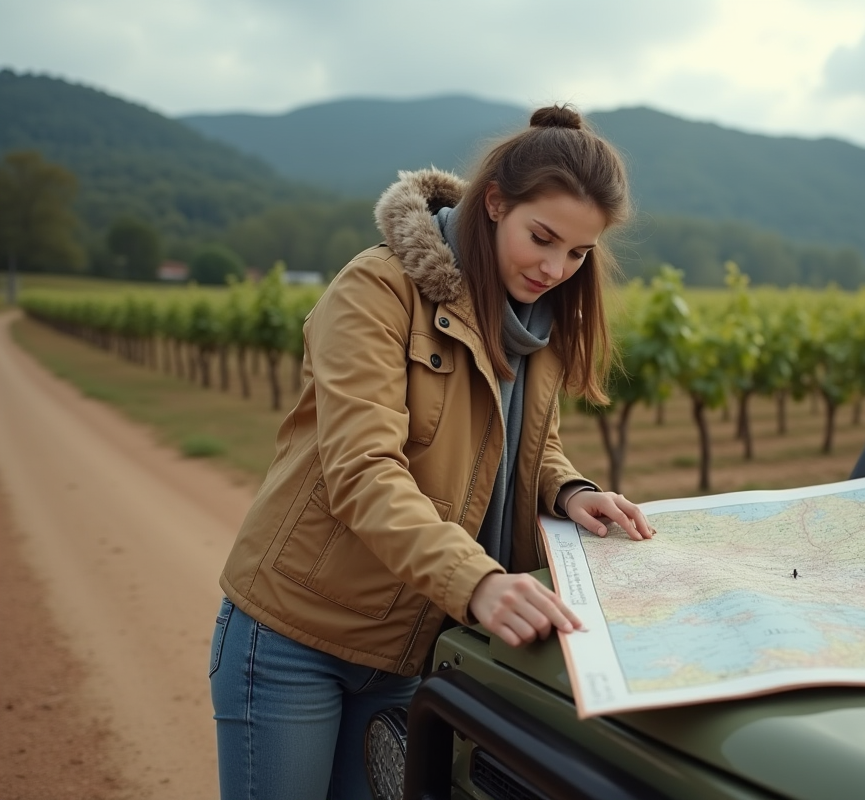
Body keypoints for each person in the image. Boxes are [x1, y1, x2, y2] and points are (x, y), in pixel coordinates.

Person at [208, 104, 655, 800]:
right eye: (542, 238)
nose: (555, 268)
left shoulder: (531, 324)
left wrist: (571, 491)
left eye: (577, 253)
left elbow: (529, 447)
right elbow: (363, 470)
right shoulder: (376, 289)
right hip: (299, 635)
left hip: (416, 647)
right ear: (496, 202)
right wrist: (475, 582)